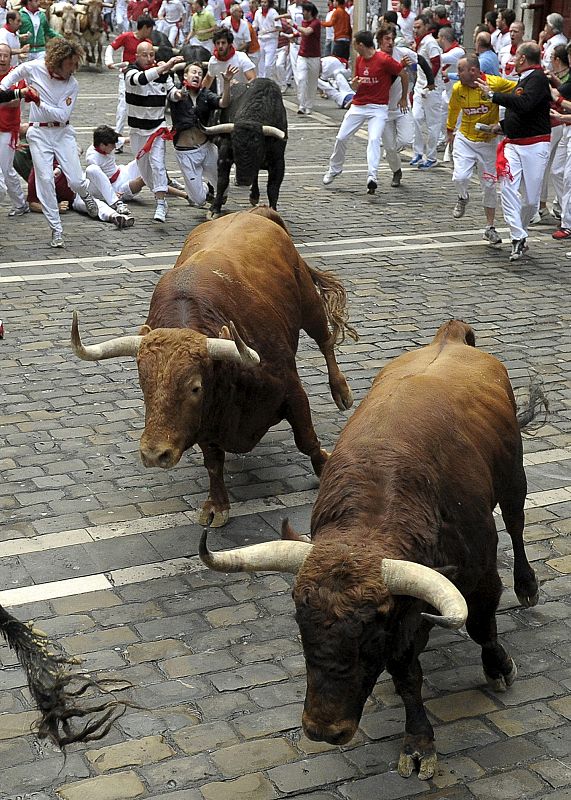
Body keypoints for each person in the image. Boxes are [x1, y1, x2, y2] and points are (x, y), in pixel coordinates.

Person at [0, 38, 99, 248]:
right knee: (44, 179)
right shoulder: (35, 68)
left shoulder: (72, 84)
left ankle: (84, 193)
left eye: (75, 63)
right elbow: (13, 76)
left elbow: (62, 115)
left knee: (75, 180)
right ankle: (56, 229)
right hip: (38, 133)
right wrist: (6, 89)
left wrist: (38, 101)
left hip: (62, 133)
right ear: (59, 60)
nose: (73, 68)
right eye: (70, 63)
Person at [476, 42, 552, 261]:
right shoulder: (525, 78)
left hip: (535, 145)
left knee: (530, 201)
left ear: (522, 59)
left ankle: (521, 233)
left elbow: (525, 104)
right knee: (508, 188)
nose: (513, 59)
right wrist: (502, 125)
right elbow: (520, 112)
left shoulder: (537, 79)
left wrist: (493, 95)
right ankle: (517, 235)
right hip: (513, 144)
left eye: (516, 55)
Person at [322, 28, 406, 194]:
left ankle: (372, 176)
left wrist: (403, 98)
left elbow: (403, 74)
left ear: (361, 44)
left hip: (379, 108)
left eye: (354, 43)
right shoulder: (359, 60)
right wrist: (355, 85)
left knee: (374, 139)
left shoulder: (384, 59)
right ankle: (335, 169)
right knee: (341, 137)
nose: (353, 45)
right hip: (359, 105)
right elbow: (356, 84)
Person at [446, 54, 516, 247]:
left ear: (474, 71)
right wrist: (450, 130)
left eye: (460, 70)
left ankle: (489, 227)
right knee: (459, 177)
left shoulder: (495, 83)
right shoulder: (458, 88)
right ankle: (462, 196)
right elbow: (453, 109)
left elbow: (517, 92)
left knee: (490, 185)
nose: (457, 74)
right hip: (465, 139)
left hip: (488, 142)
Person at [124, 41, 184, 223]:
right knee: (145, 171)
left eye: (152, 55)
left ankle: (160, 202)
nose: (149, 58)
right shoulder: (130, 72)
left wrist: (181, 93)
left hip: (157, 129)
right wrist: (166, 65)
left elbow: (173, 94)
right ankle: (160, 194)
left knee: (158, 164)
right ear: (137, 56)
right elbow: (142, 80)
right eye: (145, 55)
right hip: (137, 131)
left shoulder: (164, 75)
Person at [169, 60, 233, 206]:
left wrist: (227, 83)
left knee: (223, 186)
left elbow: (223, 103)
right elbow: (170, 91)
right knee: (198, 200)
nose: (197, 75)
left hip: (206, 148)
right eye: (193, 72)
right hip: (185, 153)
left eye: (200, 73)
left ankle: (216, 190)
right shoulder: (175, 92)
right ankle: (206, 190)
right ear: (185, 76)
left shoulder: (205, 94)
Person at [27, 161, 134, 227]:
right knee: (94, 204)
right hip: (75, 198)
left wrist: (109, 191)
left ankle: (116, 202)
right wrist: (55, 208)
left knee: (92, 169)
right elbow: (32, 204)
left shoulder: (62, 156)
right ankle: (115, 217)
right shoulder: (36, 175)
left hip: (85, 185)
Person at [105, 15, 154, 150]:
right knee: (122, 108)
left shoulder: (148, 42)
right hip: (126, 77)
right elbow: (111, 47)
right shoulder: (126, 37)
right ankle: (117, 140)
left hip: (142, 78)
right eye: (150, 29)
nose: (150, 32)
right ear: (144, 28)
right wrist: (109, 61)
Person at [376, 24, 412, 189]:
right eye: (387, 39)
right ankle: (397, 171)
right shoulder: (375, 58)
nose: (390, 42)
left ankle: (394, 158)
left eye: (392, 39)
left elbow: (407, 73)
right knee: (389, 147)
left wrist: (404, 97)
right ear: (380, 40)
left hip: (400, 105)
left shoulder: (402, 54)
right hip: (383, 108)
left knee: (405, 138)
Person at [0, 42, 32, 215]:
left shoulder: (15, 75)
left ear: (10, 57)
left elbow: (14, 102)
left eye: (6, 55)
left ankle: (20, 204)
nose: (2, 59)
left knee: (6, 169)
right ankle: (19, 203)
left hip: (7, 130)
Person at [85, 124, 143, 218]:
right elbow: (98, 180)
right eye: (112, 146)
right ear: (102, 145)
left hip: (121, 172)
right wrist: (112, 193)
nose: (114, 148)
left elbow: (128, 140)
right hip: (114, 187)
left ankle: (166, 181)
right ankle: (115, 202)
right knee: (91, 170)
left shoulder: (109, 141)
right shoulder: (92, 158)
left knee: (145, 158)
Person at [410, 12, 442, 170]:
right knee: (415, 118)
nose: (415, 30)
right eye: (414, 27)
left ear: (427, 27)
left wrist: (430, 83)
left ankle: (431, 156)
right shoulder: (419, 42)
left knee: (432, 124)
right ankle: (417, 152)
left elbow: (436, 63)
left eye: (418, 27)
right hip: (419, 86)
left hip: (432, 88)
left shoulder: (430, 43)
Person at [203, 26, 255, 92]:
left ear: (229, 44)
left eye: (223, 43)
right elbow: (208, 80)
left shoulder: (241, 57)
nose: (220, 46)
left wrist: (240, 87)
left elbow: (253, 79)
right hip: (223, 98)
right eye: (218, 43)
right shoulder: (213, 61)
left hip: (242, 97)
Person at [292, 1, 320, 115]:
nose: (302, 13)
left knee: (312, 82)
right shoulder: (304, 22)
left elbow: (307, 32)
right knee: (302, 79)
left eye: (303, 11)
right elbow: (303, 34)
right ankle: (302, 105)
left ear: (309, 12)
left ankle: (309, 106)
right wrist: (293, 35)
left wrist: (293, 25)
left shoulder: (316, 23)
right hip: (302, 56)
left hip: (314, 57)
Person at [253, 0, 281, 80]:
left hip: (271, 40)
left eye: (265, 2)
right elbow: (255, 26)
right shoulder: (258, 12)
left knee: (268, 64)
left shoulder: (273, 12)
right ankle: (261, 81)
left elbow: (279, 27)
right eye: (262, 2)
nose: (263, 4)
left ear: (269, 3)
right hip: (261, 40)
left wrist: (267, 31)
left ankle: (267, 80)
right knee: (260, 63)